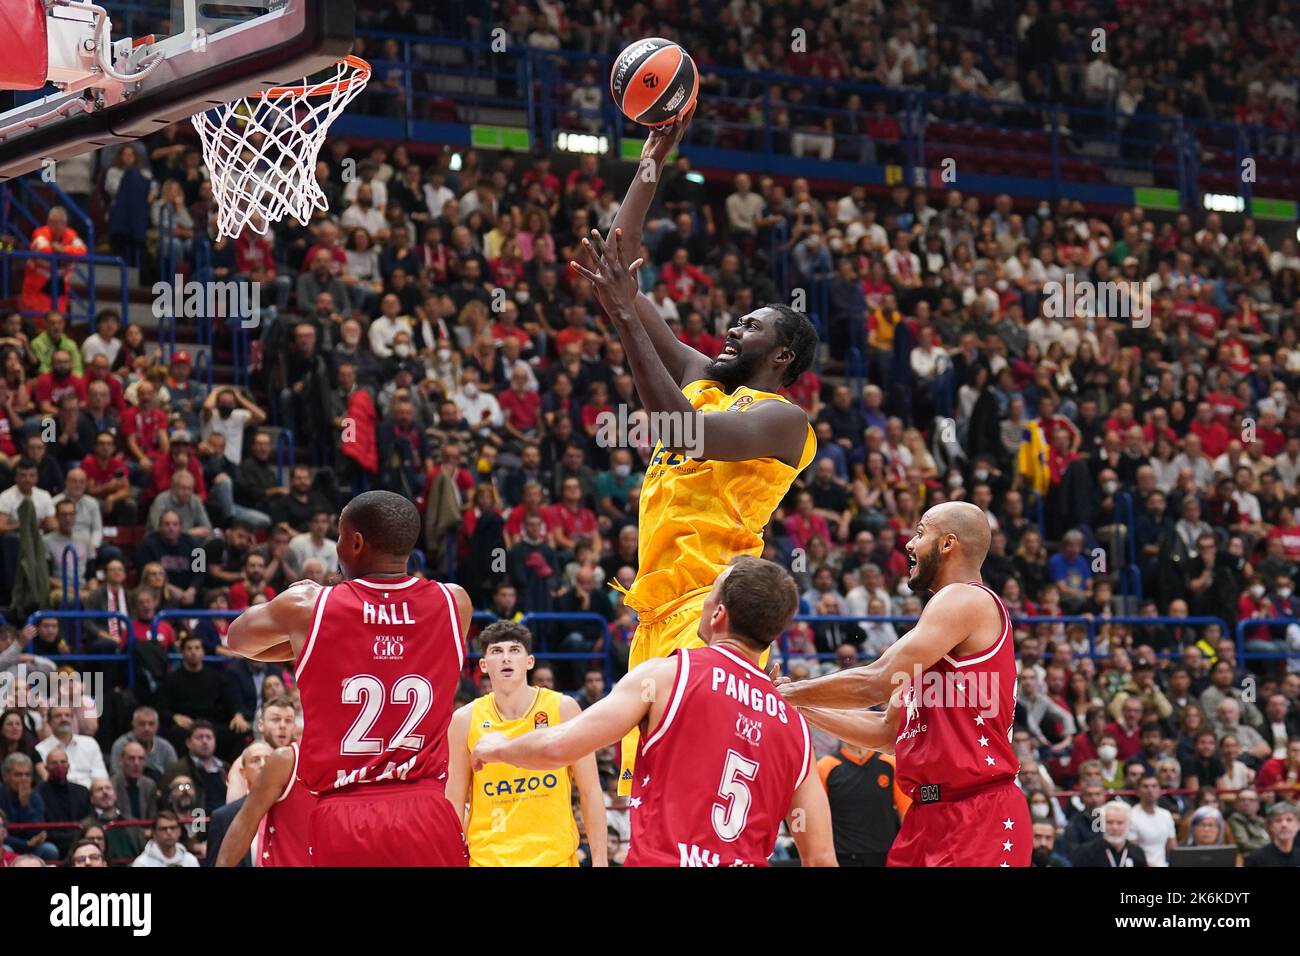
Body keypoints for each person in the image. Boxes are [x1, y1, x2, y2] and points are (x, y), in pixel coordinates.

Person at [575, 107, 819, 795]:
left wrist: (626, 317)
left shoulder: (783, 421)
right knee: (648, 787)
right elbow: (617, 262)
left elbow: (680, 430)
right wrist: (652, 157)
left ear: (783, 353)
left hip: (714, 609)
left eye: (752, 326)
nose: (734, 329)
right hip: (656, 612)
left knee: (692, 781)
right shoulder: (700, 377)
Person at [471, 556, 835, 867]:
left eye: (708, 594)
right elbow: (820, 858)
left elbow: (559, 747)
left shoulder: (666, 675)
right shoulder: (794, 725)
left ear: (719, 613)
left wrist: (500, 747)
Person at [225, 490, 472, 866]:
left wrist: (309, 644)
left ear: (355, 542)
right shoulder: (454, 602)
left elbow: (238, 639)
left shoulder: (309, 606)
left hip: (347, 812)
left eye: (338, 537)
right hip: (426, 808)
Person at [778, 500, 1031, 866]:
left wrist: (785, 692)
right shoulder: (936, 629)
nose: (910, 544)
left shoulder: (965, 598)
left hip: (979, 812)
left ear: (947, 544)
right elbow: (887, 732)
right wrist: (801, 707)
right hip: (926, 815)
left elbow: (876, 682)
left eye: (920, 532)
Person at [446, 620, 606, 867]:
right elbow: (455, 801)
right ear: (484, 665)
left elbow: (591, 791)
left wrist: (600, 860)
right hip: (488, 859)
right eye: (497, 652)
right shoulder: (464, 720)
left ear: (529, 662)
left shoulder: (563, 709)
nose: (506, 658)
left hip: (555, 858)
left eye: (514, 650)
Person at [214, 738, 315, 868]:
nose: (263, 765)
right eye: (256, 760)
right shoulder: (224, 816)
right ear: (242, 772)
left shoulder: (294, 802)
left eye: (268, 760)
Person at [817, 736, 911, 866]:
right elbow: (817, 818)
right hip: (843, 856)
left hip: (885, 854)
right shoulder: (826, 766)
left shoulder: (889, 763)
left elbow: (906, 813)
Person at [1070, 800, 1149, 867]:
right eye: (1109, 822)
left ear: (1128, 825)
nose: (1114, 827)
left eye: (1120, 823)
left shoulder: (1138, 854)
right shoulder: (1085, 853)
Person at [1126, 774, 1177, 867]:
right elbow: (1133, 852)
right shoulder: (1131, 816)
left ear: (1160, 791)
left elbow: (1173, 848)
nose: (1150, 790)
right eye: (1145, 786)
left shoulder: (1166, 815)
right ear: (1137, 791)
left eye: (1154, 786)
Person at [131, 810, 199, 867]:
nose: (169, 832)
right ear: (154, 833)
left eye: (173, 828)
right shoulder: (142, 864)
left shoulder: (190, 861)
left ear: (179, 831)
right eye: (163, 829)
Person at [1244, 801, 1299, 867]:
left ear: (1298, 825)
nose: (1284, 825)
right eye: (1278, 820)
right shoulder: (1256, 859)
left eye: (1289, 820)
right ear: (1270, 826)